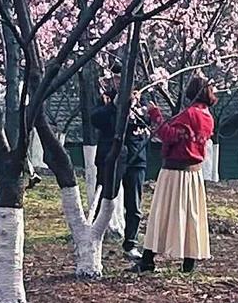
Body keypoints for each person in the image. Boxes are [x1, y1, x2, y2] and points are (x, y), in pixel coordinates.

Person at [136, 75, 216, 273]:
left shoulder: (189, 114)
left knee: (161, 213)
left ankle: (148, 260)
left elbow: (168, 136)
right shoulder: (207, 116)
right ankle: (189, 263)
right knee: (192, 215)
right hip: (194, 174)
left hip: (175, 172)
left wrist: (155, 115)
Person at [91, 75, 151, 259]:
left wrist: (137, 109)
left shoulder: (144, 98)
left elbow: (150, 118)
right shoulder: (106, 98)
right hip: (111, 156)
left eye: (122, 78)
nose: (119, 82)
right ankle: (93, 238)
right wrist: (114, 106)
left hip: (136, 154)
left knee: (134, 204)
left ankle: (131, 243)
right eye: (116, 78)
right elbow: (95, 119)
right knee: (105, 198)